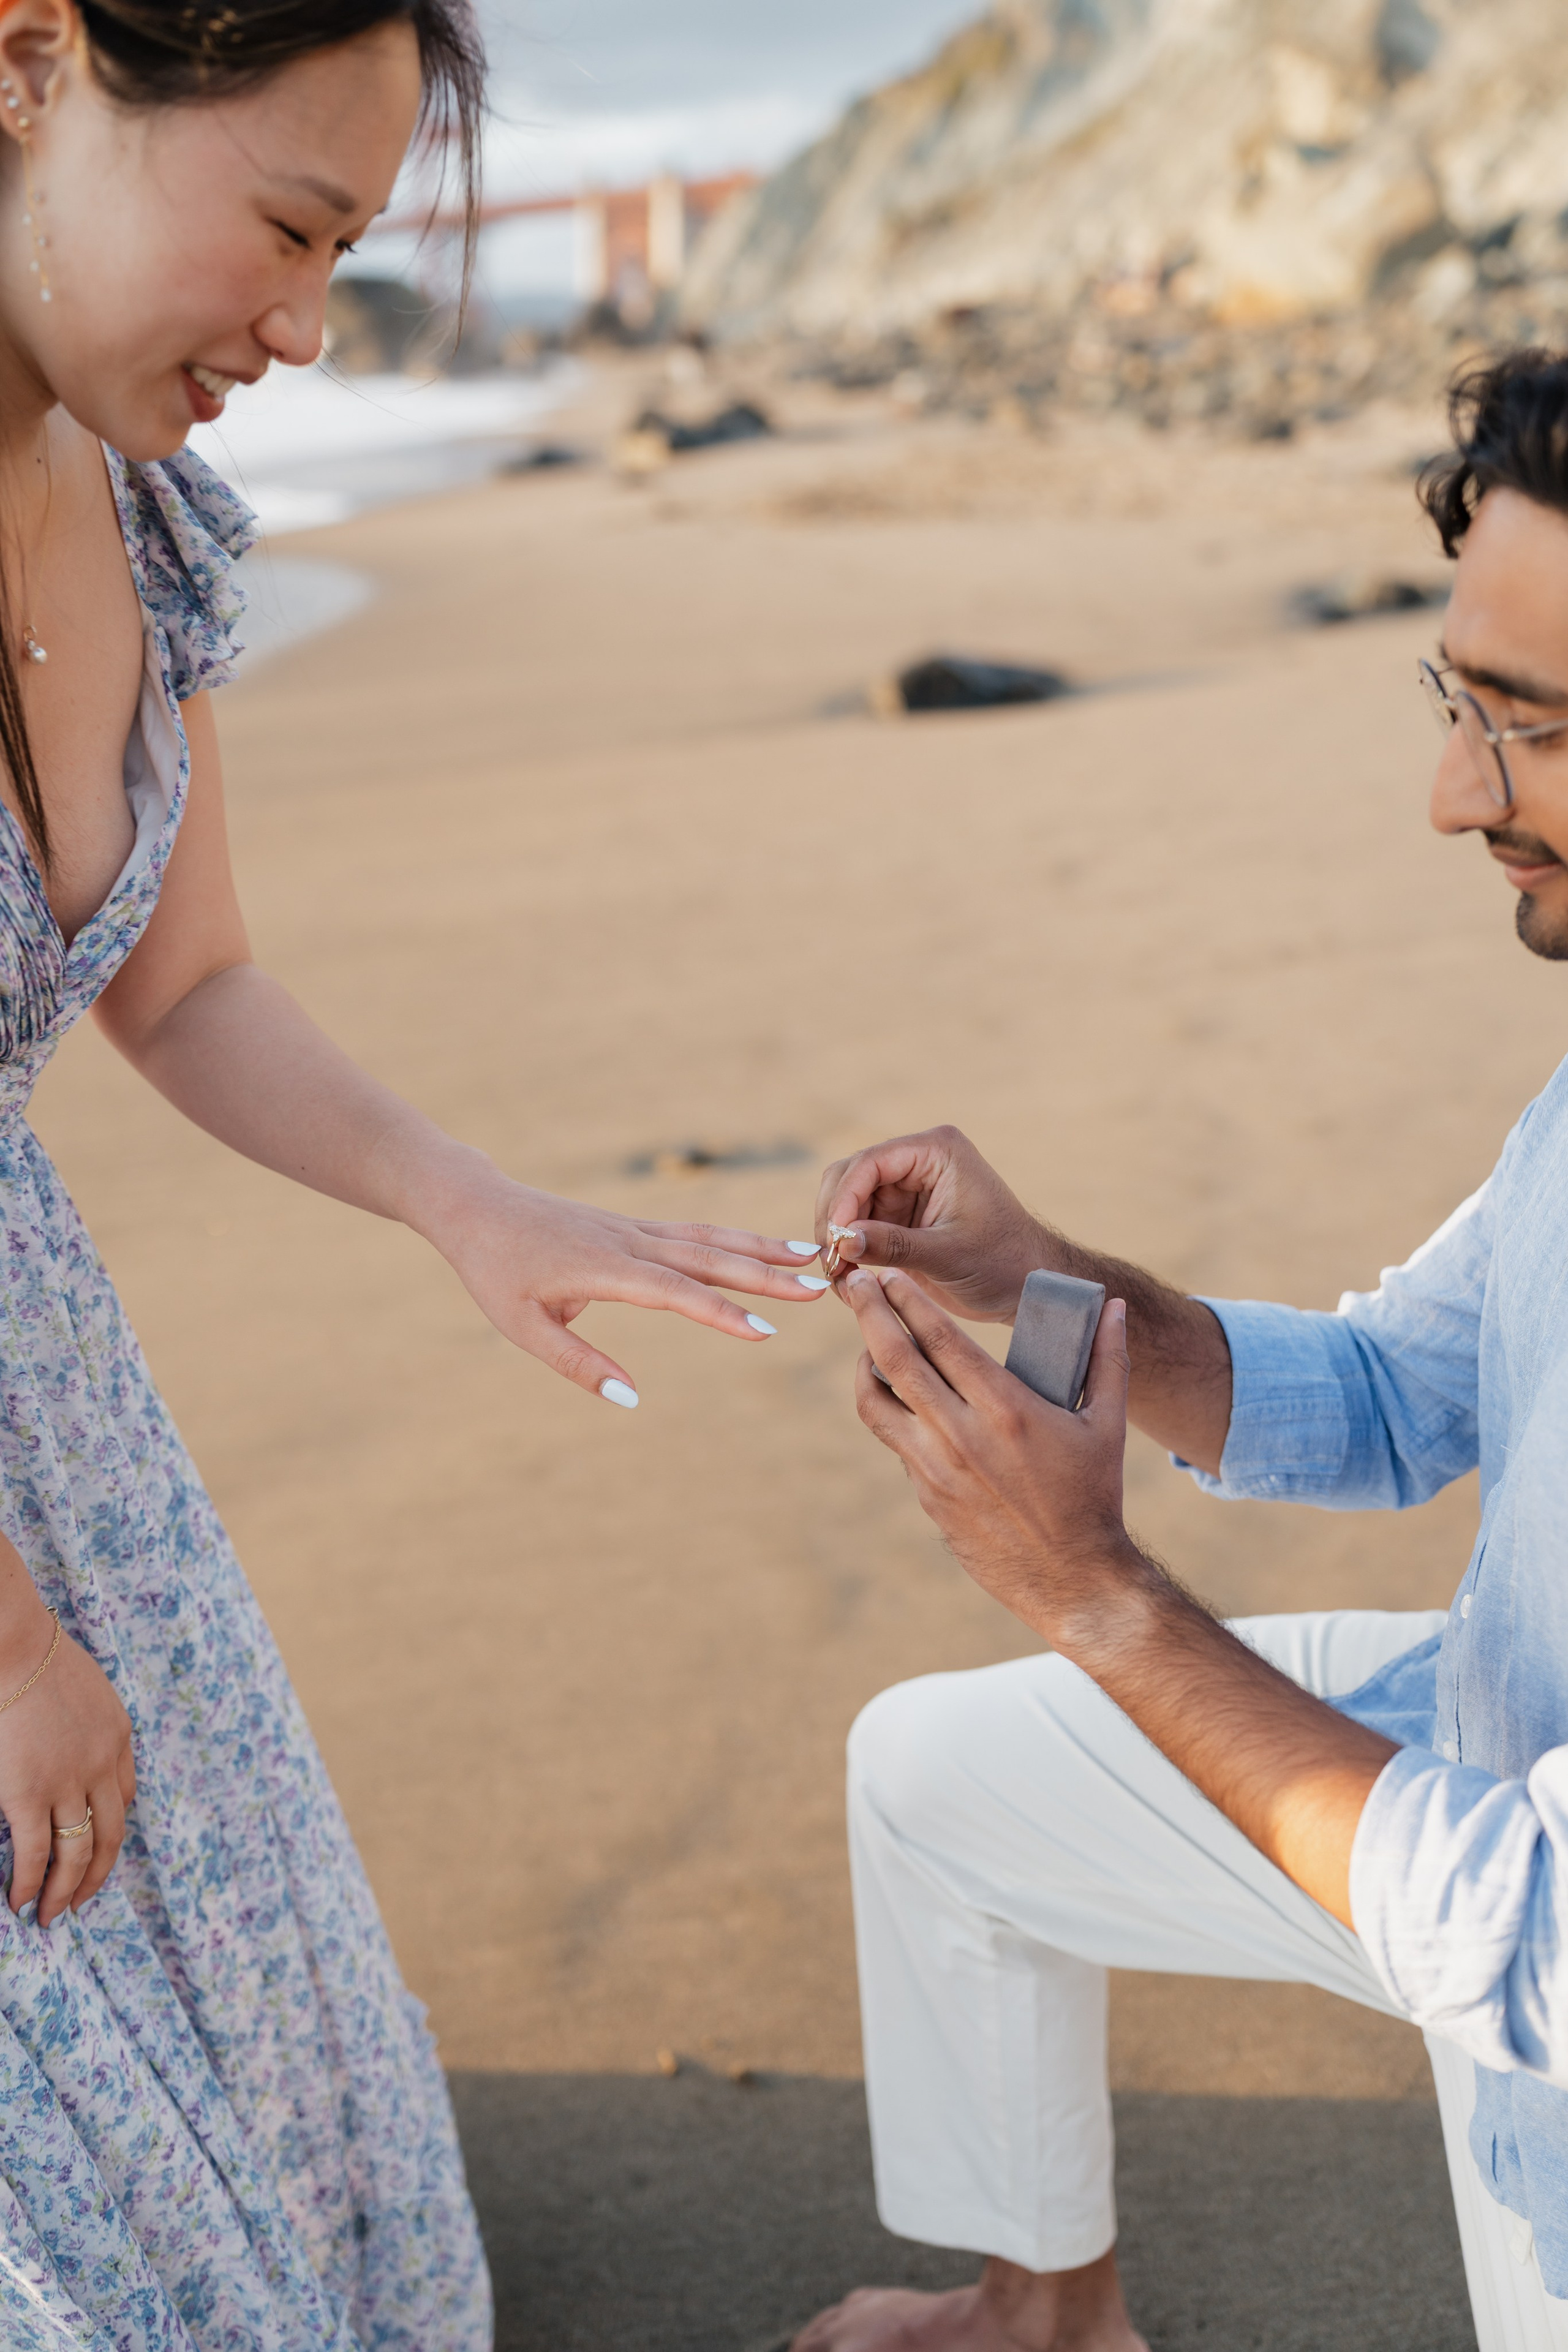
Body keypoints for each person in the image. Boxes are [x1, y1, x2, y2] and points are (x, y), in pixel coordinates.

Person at [0, 2, 832, 2344]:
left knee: (261, 2072)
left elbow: (189, 983)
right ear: (31, 61)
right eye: (281, 225)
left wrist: (474, 1204)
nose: (305, 324)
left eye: (343, 250)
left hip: (48, 1403)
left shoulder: (134, 508)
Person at [792, 347, 1568, 2352]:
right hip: (1477, 1726)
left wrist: (1099, 1594)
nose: (1450, 798)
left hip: (1528, 1950)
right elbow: (1408, 1393)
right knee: (937, 1777)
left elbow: (1535, 1939)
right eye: (1454, 703)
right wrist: (1052, 1277)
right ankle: (1048, 2317)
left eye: (1532, 731)